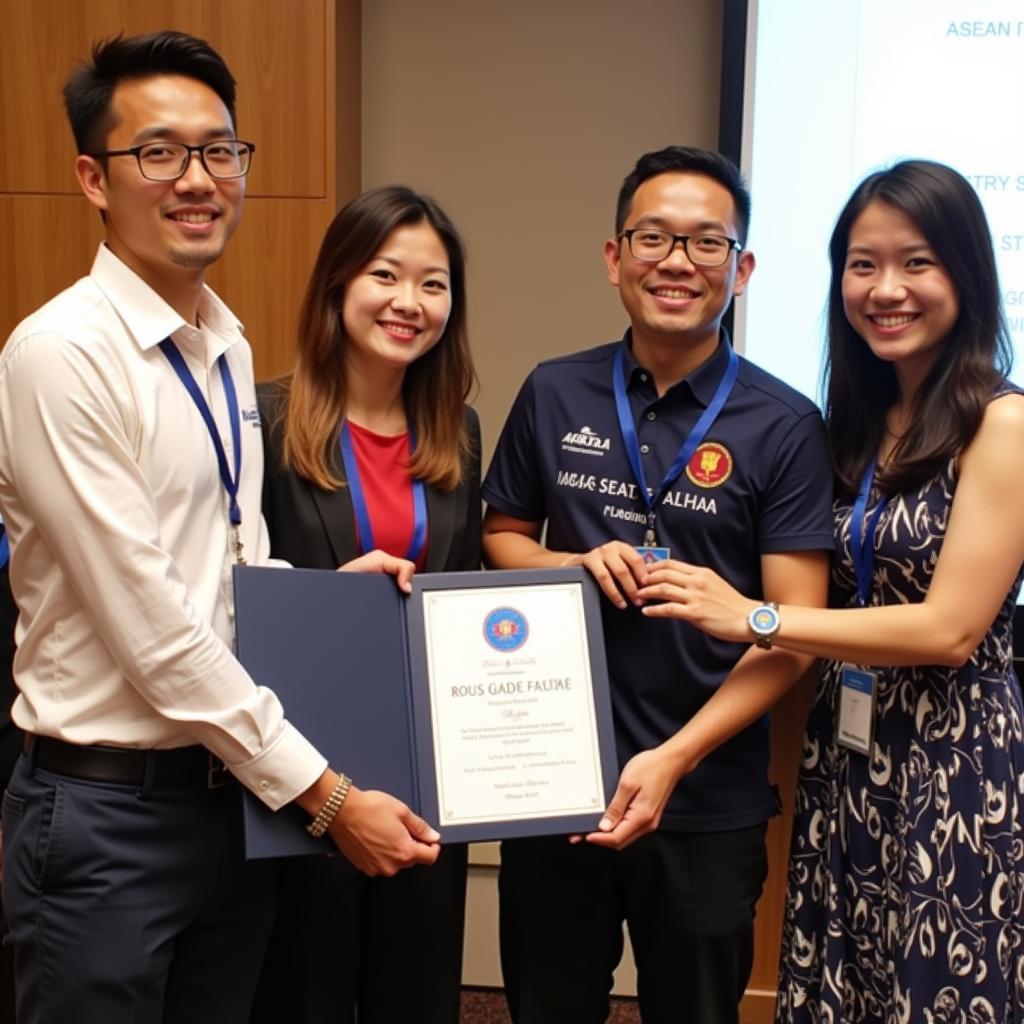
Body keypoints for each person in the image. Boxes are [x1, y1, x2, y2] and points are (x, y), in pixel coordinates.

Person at [0, 32, 440, 1024]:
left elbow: (222, 559)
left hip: (225, 800)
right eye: (158, 152)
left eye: (219, 152)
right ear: (92, 177)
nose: (197, 179)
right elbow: (153, 629)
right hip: (109, 813)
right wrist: (326, 797)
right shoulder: (61, 355)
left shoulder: (224, 341)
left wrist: (318, 591)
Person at [635, 160, 1024, 1023]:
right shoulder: (856, 424)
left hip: (948, 761)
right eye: (862, 263)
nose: (886, 288)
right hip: (846, 755)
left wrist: (756, 618)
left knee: (936, 988)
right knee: (840, 980)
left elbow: (951, 629)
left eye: (916, 262)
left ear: (966, 272)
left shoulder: (1002, 421)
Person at [480, 145, 834, 1024]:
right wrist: (568, 563)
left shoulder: (786, 424)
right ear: (614, 256)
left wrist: (673, 760)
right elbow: (500, 537)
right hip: (553, 779)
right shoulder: (555, 391)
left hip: (704, 792)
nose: (677, 262)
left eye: (706, 244)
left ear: (741, 268)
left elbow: (796, 631)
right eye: (653, 238)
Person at [252, 185, 479, 1024]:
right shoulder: (265, 422)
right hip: (300, 773)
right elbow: (230, 591)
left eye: (434, 283)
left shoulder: (460, 432)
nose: (409, 303)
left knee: (415, 993)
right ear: (339, 282)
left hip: (425, 769)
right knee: (302, 992)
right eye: (387, 275)